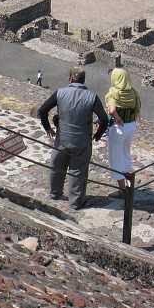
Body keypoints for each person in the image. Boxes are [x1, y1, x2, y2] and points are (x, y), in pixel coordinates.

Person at [38, 67, 109, 210]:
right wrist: (98, 135)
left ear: (70, 79)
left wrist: (48, 128)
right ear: (83, 80)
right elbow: (104, 119)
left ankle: (54, 193)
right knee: (78, 171)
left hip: (62, 138)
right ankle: (75, 202)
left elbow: (43, 110)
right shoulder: (92, 97)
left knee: (57, 166)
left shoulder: (60, 93)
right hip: (82, 141)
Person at [105, 68, 141, 195]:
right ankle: (129, 185)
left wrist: (118, 118)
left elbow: (111, 110)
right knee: (126, 154)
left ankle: (122, 190)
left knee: (116, 158)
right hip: (131, 126)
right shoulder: (133, 92)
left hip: (118, 128)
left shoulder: (114, 92)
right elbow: (137, 110)